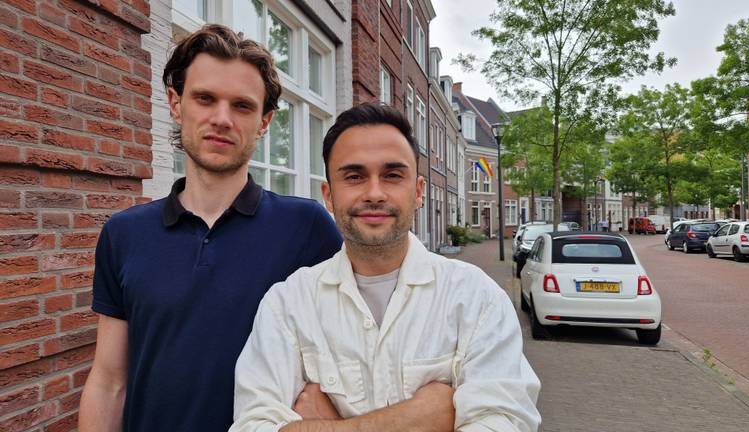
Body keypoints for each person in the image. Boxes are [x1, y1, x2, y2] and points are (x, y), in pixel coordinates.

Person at [78, 25, 342, 432]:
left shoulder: (308, 229)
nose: (222, 118)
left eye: (242, 105)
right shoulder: (124, 234)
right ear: (175, 103)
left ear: (264, 122)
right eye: (205, 98)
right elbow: (110, 380)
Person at [230, 103, 541, 431]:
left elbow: (506, 421)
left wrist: (330, 425)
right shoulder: (290, 303)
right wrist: (418, 417)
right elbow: (253, 424)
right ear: (329, 196)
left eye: (392, 175)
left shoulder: (476, 298)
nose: (374, 193)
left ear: (418, 192)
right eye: (354, 176)